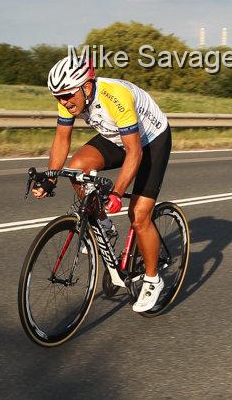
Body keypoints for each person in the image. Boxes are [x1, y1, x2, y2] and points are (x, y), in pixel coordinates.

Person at [31, 52, 172, 313]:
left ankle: (153, 279)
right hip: (116, 136)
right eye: (58, 97)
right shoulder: (70, 96)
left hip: (149, 141)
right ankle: (104, 226)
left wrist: (117, 193)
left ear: (86, 86)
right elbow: (62, 139)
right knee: (77, 168)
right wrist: (51, 177)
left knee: (139, 215)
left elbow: (134, 152)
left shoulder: (115, 97)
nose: (63, 102)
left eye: (67, 95)